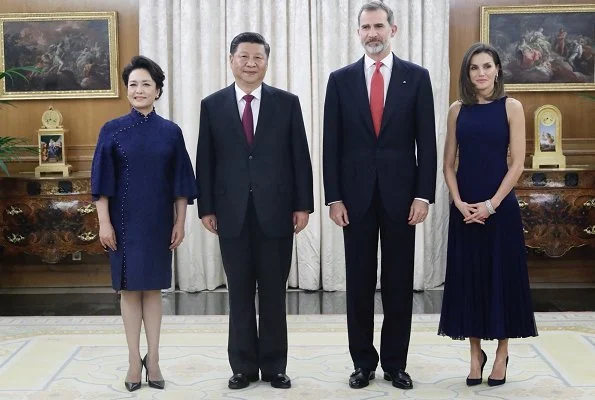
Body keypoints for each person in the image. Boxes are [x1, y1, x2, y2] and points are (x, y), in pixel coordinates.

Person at [323, 1, 437, 390]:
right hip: (353, 200)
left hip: (402, 198)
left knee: (398, 283)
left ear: (394, 29)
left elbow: (428, 142)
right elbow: (330, 145)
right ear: (358, 33)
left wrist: (423, 196)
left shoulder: (416, 78)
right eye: (365, 27)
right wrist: (333, 197)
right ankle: (362, 363)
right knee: (357, 282)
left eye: (378, 26)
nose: (372, 33)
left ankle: (395, 363)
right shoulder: (339, 80)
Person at [196, 32, 314, 390]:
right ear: (231, 60)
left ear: (267, 62)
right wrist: (207, 207)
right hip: (231, 213)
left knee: (275, 293)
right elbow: (206, 159)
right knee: (240, 293)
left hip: (277, 212)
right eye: (244, 57)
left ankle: (275, 365)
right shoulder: (212, 104)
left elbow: (300, 157)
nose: (250, 64)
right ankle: (243, 367)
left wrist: (303, 205)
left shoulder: (287, 103)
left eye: (257, 58)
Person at [91, 55, 198, 392]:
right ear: (127, 90)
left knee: (152, 289)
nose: (139, 90)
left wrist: (180, 221)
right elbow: (100, 183)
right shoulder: (111, 130)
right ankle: (132, 359)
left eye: (146, 84)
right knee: (128, 290)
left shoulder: (171, 132)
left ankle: (153, 359)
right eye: (133, 84)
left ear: (158, 90)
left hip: (157, 221)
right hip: (122, 223)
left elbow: (181, 182)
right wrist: (103, 224)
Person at [438, 42, 538, 387]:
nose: (481, 73)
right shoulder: (456, 110)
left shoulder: (511, 107)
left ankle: (501, 354)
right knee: (470, 279)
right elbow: (448, 164)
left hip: (500, 208)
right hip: (465, 210)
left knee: (502, 278)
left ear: (498, 69)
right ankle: (475, 353)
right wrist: (459, 201)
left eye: (487, 66)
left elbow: (518, 163)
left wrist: (492, 204)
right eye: (473, 68)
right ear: (467, 73)